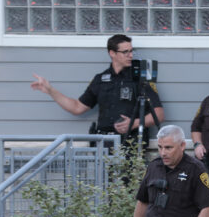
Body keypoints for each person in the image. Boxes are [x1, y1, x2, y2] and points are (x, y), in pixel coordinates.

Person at [31, 34, 164, 148]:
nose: (131, 55)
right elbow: (77, 107)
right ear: (112, 53)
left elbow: (158, 115)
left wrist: (134, 123)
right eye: (125, 52)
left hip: (131, 145)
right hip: (103, 145)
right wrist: (50, 90)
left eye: (131, 51)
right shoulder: (100, 79)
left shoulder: (140, 79)